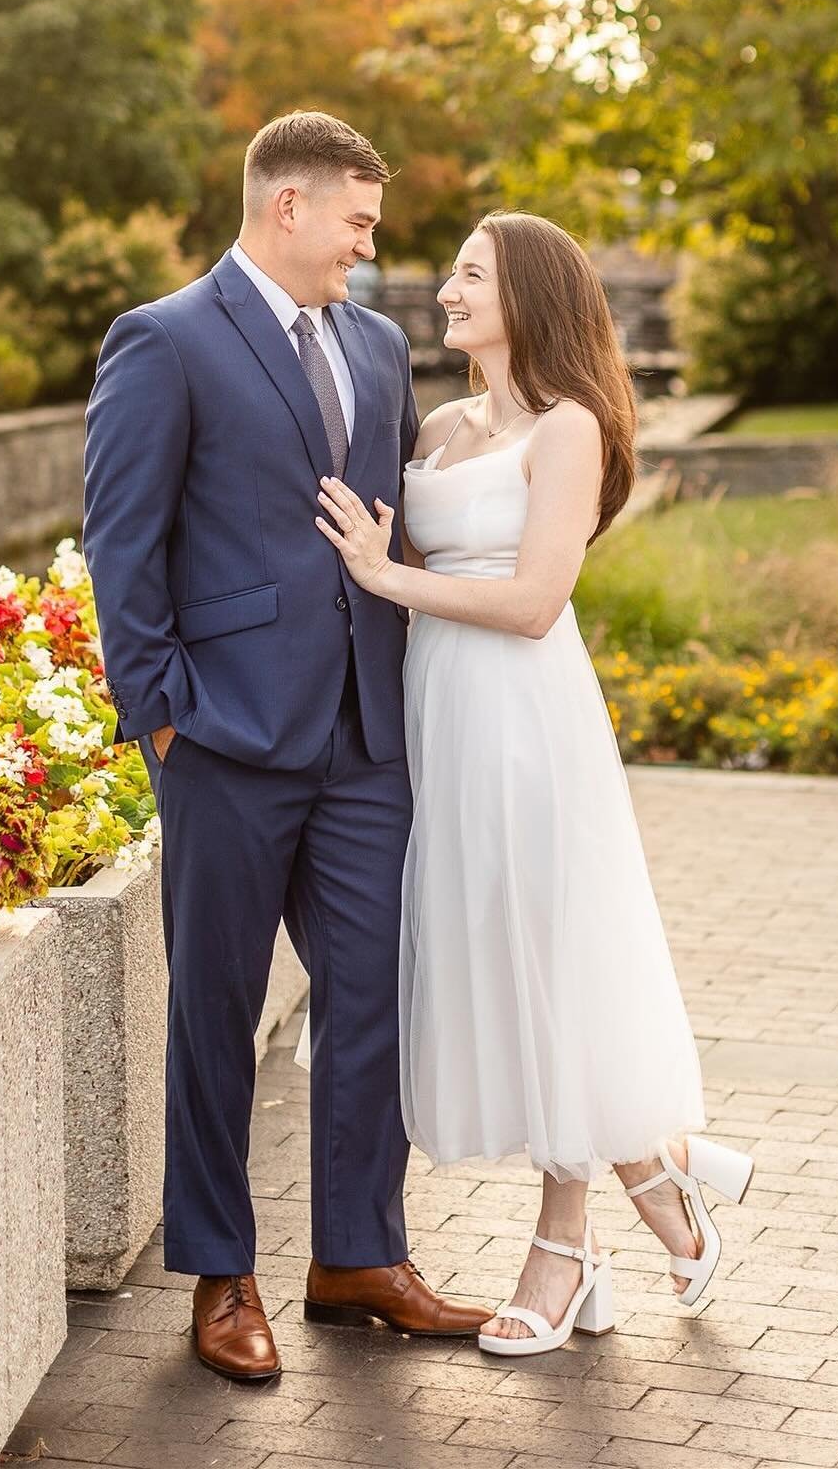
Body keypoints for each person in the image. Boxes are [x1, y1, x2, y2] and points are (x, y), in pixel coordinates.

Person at [82, 111, 495, 1383]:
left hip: (366, 737)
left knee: (375, 994)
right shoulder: (164, 341)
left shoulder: (376, 348)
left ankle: (359, 1256)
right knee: (215, 1011)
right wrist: (161, 720)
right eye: (358, 224)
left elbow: (389, 526)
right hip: (224, 736)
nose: (369, 252)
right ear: (289, 208)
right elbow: (121, 541)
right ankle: (222, 1276)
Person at [314, 210, 755, 1359]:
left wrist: (385, 574)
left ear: (531, 297)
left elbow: (532, 602)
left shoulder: (571, 428)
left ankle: (569, 1245)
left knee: (550, 958)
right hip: (432, 716)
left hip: (521, 716)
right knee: (490, 963)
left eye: (470, 274)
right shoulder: (445, 422)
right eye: (454, 272)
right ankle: (661, 1176)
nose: (447, 290)